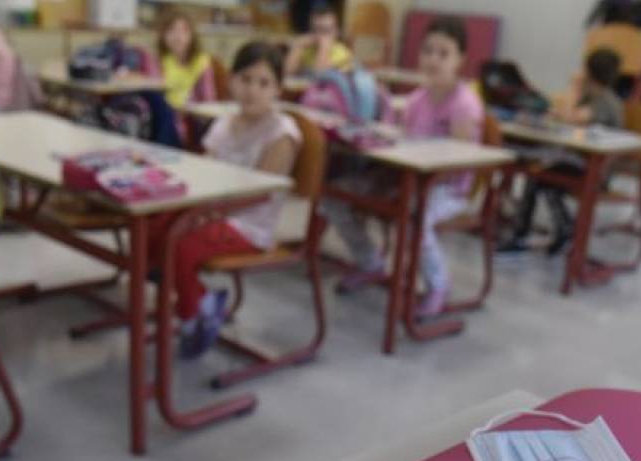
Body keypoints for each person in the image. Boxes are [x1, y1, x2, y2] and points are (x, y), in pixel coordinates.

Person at [325, 16, 483, 319]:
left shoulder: (465, 103)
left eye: (443, 53)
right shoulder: (415, 99)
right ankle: (370, 262)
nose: (433, 59)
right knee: (334, 197)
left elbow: (460, 162)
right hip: (406, 178)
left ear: (460, 60)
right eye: (428, 51)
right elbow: (402, 141)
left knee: (414, 218)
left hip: (447, 189)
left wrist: (414, 172)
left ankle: (438, 285)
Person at [151, 41, 300, 359]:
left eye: (264, 83)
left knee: (179, 244)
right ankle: (199, 299)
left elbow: (260, 194)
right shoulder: (225, 122)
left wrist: (206, 213)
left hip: (249, 225)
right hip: (214, 210)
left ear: (278, 90)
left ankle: (194, 311)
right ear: (232, 81)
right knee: (155, 226)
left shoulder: (282, 133)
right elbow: (204, 168)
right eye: (245, 79)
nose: (252, 90)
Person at [504, 48, 624, 257]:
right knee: (540, 173)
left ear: (588, 72)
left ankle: (526, 234)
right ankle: (563, 227)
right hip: (580, 162)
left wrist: (574, 87)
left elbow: (570, 118)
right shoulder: (593, 97)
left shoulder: (605, 102)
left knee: (538, 175)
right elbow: (563, 116)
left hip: (595, 171)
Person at [585, 0, 641, 104]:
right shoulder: (608, 10)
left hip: (640, 85)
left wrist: (628, 67)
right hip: (607, 81)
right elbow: (597, 46)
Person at [154, 10, 216, 109]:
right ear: (163, 35)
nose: (178, 36)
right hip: (167, 112)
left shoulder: (202, 62)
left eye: (183, 31)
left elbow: (208, 98)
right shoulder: (158, 61)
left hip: (193, 112)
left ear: (192, 35)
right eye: (171, 30)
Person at [284, 4, 355, 77]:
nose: (319, 36)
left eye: (325, 31)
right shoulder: (307, 50)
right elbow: (288, 73)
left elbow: (320, 76)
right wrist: (298, 46)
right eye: (315, 30)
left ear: (336, 32)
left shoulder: (342, 53)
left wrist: (323, 49)